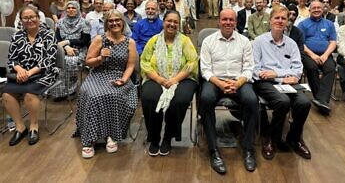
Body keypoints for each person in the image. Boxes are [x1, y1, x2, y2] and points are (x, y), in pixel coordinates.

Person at [200, 9, 258, 173]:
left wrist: (237, 83)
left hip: (238, 80)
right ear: (218, 21)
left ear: (235, 22)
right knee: (205, 99)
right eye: (224, 19)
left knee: (252, 100)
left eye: (231, 20)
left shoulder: (244, 41)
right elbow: (205, 69)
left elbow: (249, 68)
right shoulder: (208, 41)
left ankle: (248, 149)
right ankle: (213, 150)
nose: (227, 22)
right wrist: (220, 83)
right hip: (215, 81)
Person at [77, 9, 138, 158]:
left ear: (123, 23)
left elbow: (130, 66)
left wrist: (123, 79)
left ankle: (111, 134)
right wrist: (100, 59)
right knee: (92, 95)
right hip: (98, 74)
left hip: (119, 75)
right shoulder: (99, 39)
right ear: (106, 23)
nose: (114, 23)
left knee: (113, 94)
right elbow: (88, 62)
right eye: (111, 21)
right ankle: (89, 139)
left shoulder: (130, 42)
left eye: (117, 20)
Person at [253, 5, 311, 160]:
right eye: (276, 17)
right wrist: (279, 76)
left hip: (287, 83)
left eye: (283, 18)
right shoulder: (258, 42)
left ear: (287, 22)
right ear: (270, 20)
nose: (280, 21)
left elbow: (297, 69)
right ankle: (272, 138)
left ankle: (294, 138)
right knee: (282, 101)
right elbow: (255, 70)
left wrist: (279, 74)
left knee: (304, 103)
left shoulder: (291, 43)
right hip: (265, 83)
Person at [141, 10, 198, 156]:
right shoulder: (153, 40)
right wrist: (159, 79)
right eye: (169, 21)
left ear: (179, 24)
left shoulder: (185, 41)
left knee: (179, 100)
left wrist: (175, 80)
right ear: (163, 22)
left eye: (175, 22)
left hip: (183, 78)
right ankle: (154, 138)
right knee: (150, 98)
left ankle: (168, 137)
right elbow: (145, 62)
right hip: (156, 77)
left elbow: (192, 62)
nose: (172, 24)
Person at [2, 5, 58, 146]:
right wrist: (20, 70)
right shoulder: (17, 36)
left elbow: (49, 60)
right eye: (25, 18)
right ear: (21, 20)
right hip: (21, 73)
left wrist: (29, 72)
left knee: (29, 94)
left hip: (45, 73)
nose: (29, 20)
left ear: (38, 18)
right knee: (7, 94)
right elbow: (12, 59)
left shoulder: (48, 35)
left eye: (32, 17)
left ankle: (34, 126)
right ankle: (20, 127)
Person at [298, 1, 337, 115]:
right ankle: (321, 99)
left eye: (318, 8)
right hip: (308, 54)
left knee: (331, 68)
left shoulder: (329, 24)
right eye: (313, 8)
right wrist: (313, 55)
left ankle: (321, 99)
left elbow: (333, 42)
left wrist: (325, 55)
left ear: (323, 9)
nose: (316, 10)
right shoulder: (303, 24)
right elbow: (301, 43)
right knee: (311, 68)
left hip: (325, 54)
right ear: (309, 10)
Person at [50, 1, 90, 101]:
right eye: (68, 8)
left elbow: (85, 41)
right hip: (62, 48)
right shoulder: (60, 22)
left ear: (78, 9)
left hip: (79, 49)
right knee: (53, 61)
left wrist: (68, 41)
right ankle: (59, 92)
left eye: (73, 8)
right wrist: (66, 47)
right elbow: (57, 39)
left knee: (69, 61)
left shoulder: (84, 22)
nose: (70, 10)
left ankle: (71, 90)